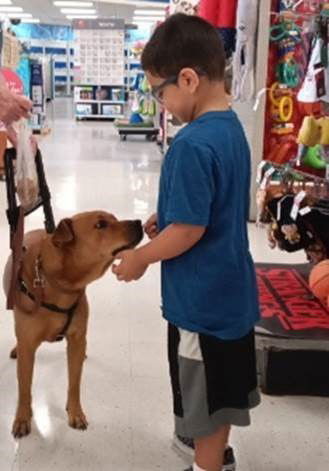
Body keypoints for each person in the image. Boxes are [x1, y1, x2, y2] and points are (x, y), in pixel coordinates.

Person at [112, 13, 261, 471]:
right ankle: (218, 457)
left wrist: (140, 258)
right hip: (232, 294)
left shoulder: (192, 143)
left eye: (161, 93)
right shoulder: (232, 129)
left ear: (190, 79)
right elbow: (211, 207)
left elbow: (189, 231)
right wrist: (169, 212)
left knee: (203, 403)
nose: (161, 104)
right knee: (223, 392)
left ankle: (207, 465)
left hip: (201, 304)